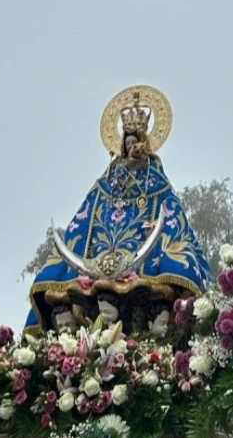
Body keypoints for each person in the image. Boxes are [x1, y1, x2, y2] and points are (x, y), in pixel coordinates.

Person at [23, 87, 211, 336]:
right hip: (99, 263)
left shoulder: (155, 183)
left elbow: (174, 225)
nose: (131, 148)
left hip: (143, 260)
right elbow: (85, 219)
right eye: (127, 143)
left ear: (144, 142)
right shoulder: (106, 184)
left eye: (136, 142)